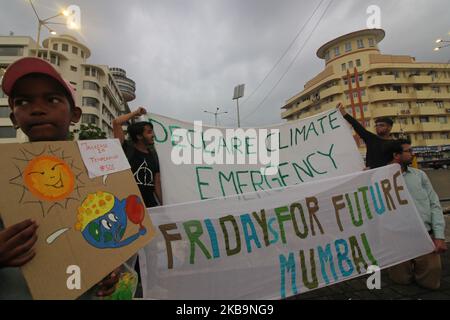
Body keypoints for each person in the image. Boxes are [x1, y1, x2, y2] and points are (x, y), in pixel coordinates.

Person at [0, 57, 120, 299]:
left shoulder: (98, 170)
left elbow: (115, 234)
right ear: (13, 118)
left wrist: (111, 265)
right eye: (23, 102)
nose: (37, 109)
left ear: (75, 114)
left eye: (52, 99)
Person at [384, 139, 447, 289]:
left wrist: (439, 236)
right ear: (396, 155)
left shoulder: (420, 176)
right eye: (409, 151)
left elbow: (434, 205)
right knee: (401, 282)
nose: (413, 154)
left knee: (430, 283)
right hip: (397, 239)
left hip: (425, 236)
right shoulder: (379, 178)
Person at [112, 108, 162, 207]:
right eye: (149, 132)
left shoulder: (154, 156)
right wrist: (135, 112)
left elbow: (157, 183)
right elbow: (116, 122)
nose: (153, 135)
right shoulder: (125, 149)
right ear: (139, 136)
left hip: (150, 206)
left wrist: (164, 206)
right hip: (129, 205)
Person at [337, 102, 394, 168]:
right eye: (376, 125)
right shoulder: (371, 139)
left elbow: (395, 162)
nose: (378, 127)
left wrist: (372, 167)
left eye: (382, 125)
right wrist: (344, 113)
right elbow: (356, 125)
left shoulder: (395, 144)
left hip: (387, 176)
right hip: (371, 176)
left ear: (389, 127)